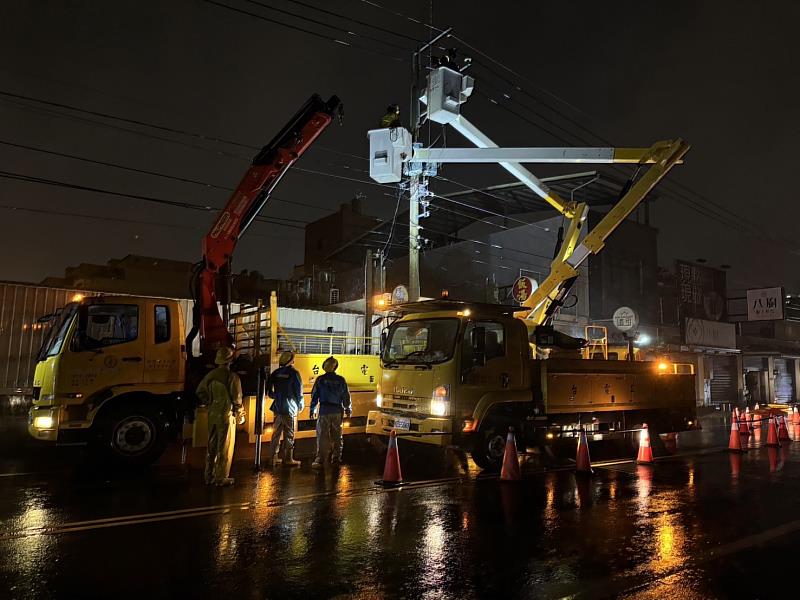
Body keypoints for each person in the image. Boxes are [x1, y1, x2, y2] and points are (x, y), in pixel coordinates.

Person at [196, 347, 245, 486]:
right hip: (226, 415)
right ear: (230, 361)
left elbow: (200, 391)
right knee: (224, 446)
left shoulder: (210, 375)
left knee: (211, 445)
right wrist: (241, 414)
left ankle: (209, 475)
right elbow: (237, 399)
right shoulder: (232, 377)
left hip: (212, 413)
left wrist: (209, 402)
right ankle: (221, 477)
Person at [310, 356, 351, 469]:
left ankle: (320, 459)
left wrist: (312, 409)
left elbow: (314, 396)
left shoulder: (320, 379)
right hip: (337, 411)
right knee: (337, 435)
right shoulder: (341, 380)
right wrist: (348, 409)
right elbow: (346, 396)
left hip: (324, 411)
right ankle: (336, 457)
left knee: (322, 436)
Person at [267, 351, 304, 467]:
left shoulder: (276, 373)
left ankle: (273, 458)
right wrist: (300, 404)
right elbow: (299, 391)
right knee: (289, 434)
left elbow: (269, 388)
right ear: (291, 360)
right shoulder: (294, 373)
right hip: (289, 408)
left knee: (276, 433)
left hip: (278, 407)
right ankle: (288, 459)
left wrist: (274, 395)